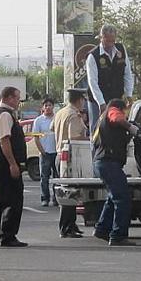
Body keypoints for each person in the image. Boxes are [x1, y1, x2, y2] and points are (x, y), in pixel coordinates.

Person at [92, 99, 139, 246]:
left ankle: (102, 229)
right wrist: (130, 127)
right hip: (109, 162)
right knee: (123, 198)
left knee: (113, 197)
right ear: (121, 108)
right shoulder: (112, 111)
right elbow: (117, 118)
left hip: (103, 162)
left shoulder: (102, 119)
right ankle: (118, 235)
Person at [0, 87, 28, 247]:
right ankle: (7, 236)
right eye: (17, 98)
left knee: (4, 199)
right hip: (6, 163)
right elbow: (4, 141)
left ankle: (3, 235)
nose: (19, 101)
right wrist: (13, 164)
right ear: (8, 97)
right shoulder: (5, 115)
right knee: (11, 199)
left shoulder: (5, 114)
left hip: (3, 162)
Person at [86, 24, 135, 138]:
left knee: (115, 128)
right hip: (97, 100)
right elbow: (93, 83)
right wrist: (101, 103)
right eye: (108, 41)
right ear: (101, 37)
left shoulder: (121, 50)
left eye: (113, 41)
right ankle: (96, 154)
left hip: (116, 98)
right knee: (97, 130)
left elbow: (127, 73)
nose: (110, 44)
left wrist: (129, 94)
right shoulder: (93, 56)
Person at [52, 89, 88, 238]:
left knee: (71, 192)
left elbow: (52, 127)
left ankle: (71, 224)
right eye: (83, 100)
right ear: (79, 100)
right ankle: (66, 227)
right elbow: (74, 137)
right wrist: (89, 139)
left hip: (59, 154)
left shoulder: (60, 112)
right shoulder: (73, 115)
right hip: (70, 156)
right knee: (68, 192)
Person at [32, 98, 58, 207]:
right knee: (44, 177)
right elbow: (36, 138)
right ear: (43, 107)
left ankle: (56, 198)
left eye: (50, 105)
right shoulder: (38, 121)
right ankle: (45, 198)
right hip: (45, 153)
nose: (48, 107)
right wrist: (42, 151)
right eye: (46, 105)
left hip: (56, 152)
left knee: (57, 177)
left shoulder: (57, 118)